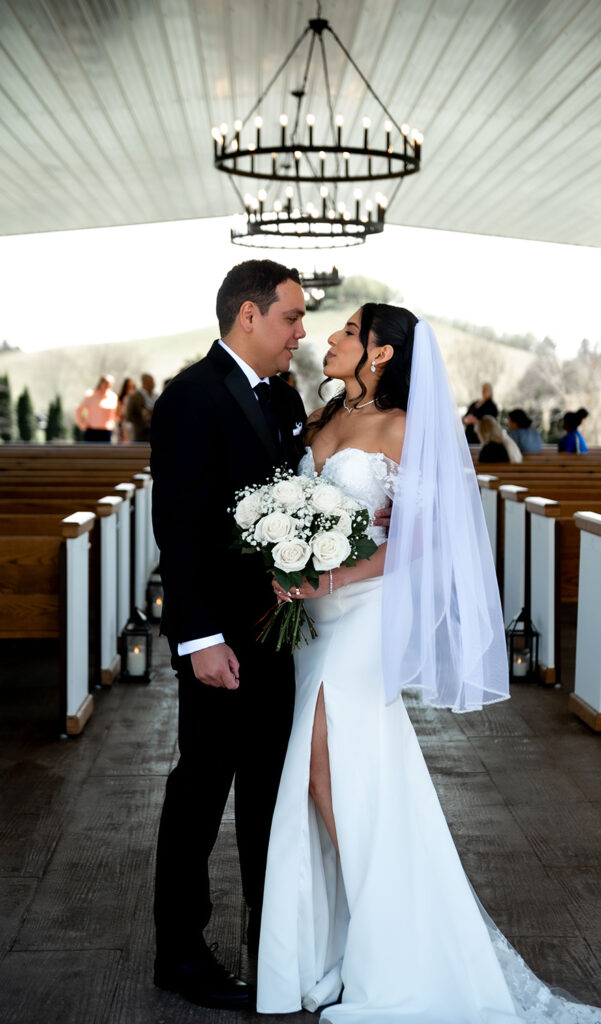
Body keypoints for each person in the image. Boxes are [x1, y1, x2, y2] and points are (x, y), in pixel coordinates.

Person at [257, 305, 601, 1024]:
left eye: (348, 332)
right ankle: (357, 936)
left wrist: (333, 575)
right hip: (313, 621)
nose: (330, 337)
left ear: (382, 353)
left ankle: (390, 940)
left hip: (364, 613)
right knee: (337, 772)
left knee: (323, 763)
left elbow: (423, 540)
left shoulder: (403, 429)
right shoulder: (317, 417)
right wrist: (286, 559)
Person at [149, 260, 308, 1010]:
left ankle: (268, 940)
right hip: (218, 637)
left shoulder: (283, 396)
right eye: (290, 317)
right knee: (201, 790)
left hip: (276, 632)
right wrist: (199, 638)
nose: (299, 333)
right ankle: (179, 955)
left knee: (268, 789)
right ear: (249, 315)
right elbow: (177, 527)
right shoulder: (191, 395)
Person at [74, 374, 118, 442]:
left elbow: (115, 414)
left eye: (109, 384)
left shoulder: (113, 397)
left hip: (106, 432)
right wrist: (82, 424)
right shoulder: (91, 396)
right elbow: (79, 409)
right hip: (92, 431)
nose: (107, 385)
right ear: (100, 383)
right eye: (105, 383)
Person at [126, 373, 157, 442]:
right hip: (140, 434)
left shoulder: (156, 396)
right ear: (144, 382)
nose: (152, 383)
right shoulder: (134, 397)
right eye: (150, 381)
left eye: (152, 381)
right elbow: (129, 415)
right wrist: (144, 414)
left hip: (154, 434)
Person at [116, 376, 137, 443]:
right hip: (123, 423)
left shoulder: (136, 397)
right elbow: (119, 412)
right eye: (129, 386)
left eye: (132, 386)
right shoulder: (122, 398)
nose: (130, 388)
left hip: (132, 423)